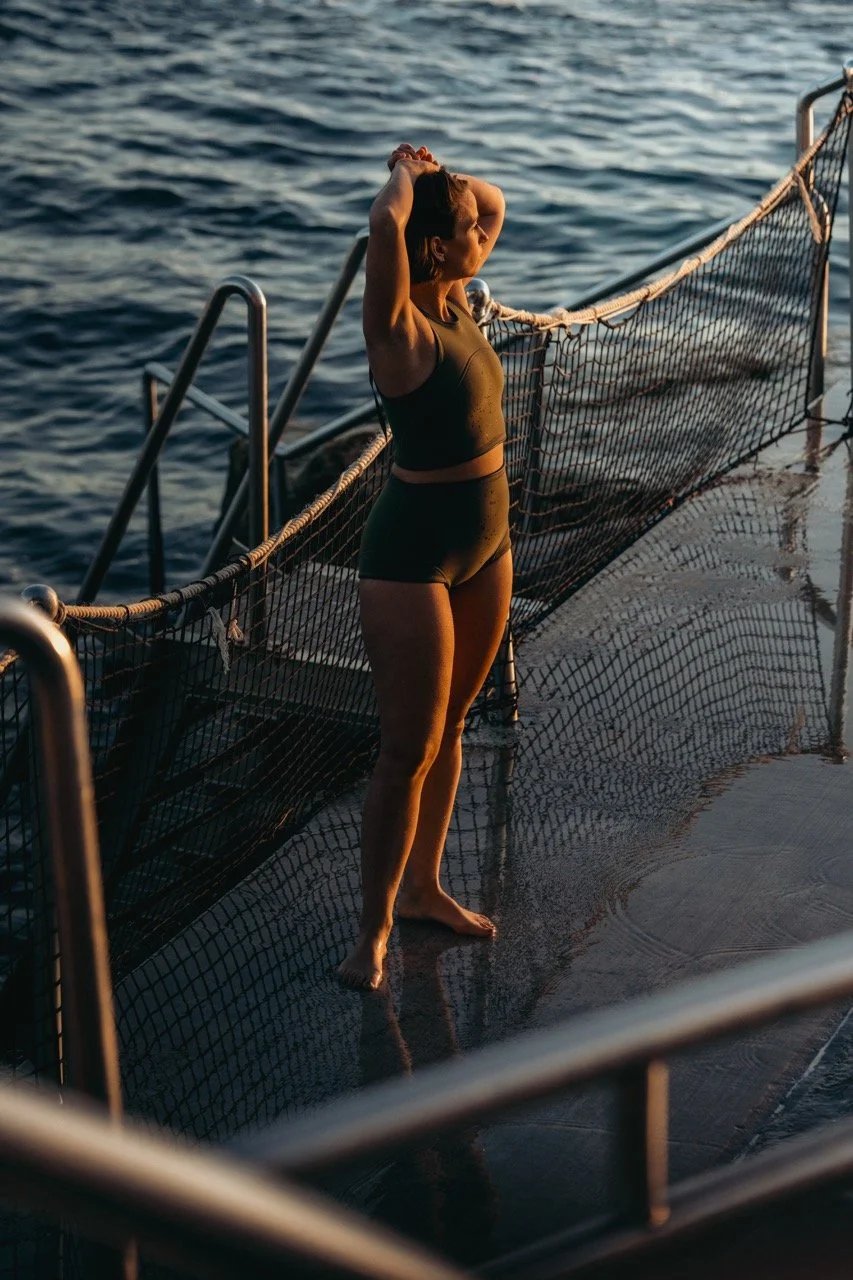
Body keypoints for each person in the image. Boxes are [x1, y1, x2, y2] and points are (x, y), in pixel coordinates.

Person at [338, 143, 512, 990]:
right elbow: (383, 223)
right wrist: (406, 184)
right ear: (438, 248)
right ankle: (371, 932)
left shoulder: (456, 304)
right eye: (467, 226)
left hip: (487, 544)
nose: (485, 224)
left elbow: (493, 199)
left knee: (453, 727)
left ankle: (424, 889)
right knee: (405, 748)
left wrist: (439, 174)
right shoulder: (400, 330)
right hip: (412, 559)